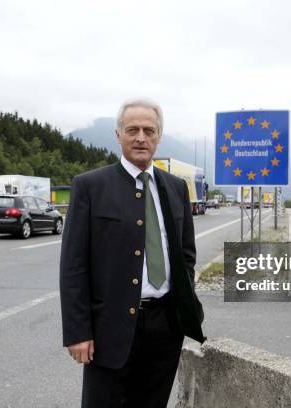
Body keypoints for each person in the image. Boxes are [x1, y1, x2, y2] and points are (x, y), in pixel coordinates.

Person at [60, 98, 205, 408]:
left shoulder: (176, 188)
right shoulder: (90, 186)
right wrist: (77, 332)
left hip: (164, 327)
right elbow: (74, 266)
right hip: (108, 329)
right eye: (133, 130)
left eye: (149, 130)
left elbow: (185, 254)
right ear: (118, 135)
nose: (141, 137)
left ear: (158, 137)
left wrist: (180, 308)